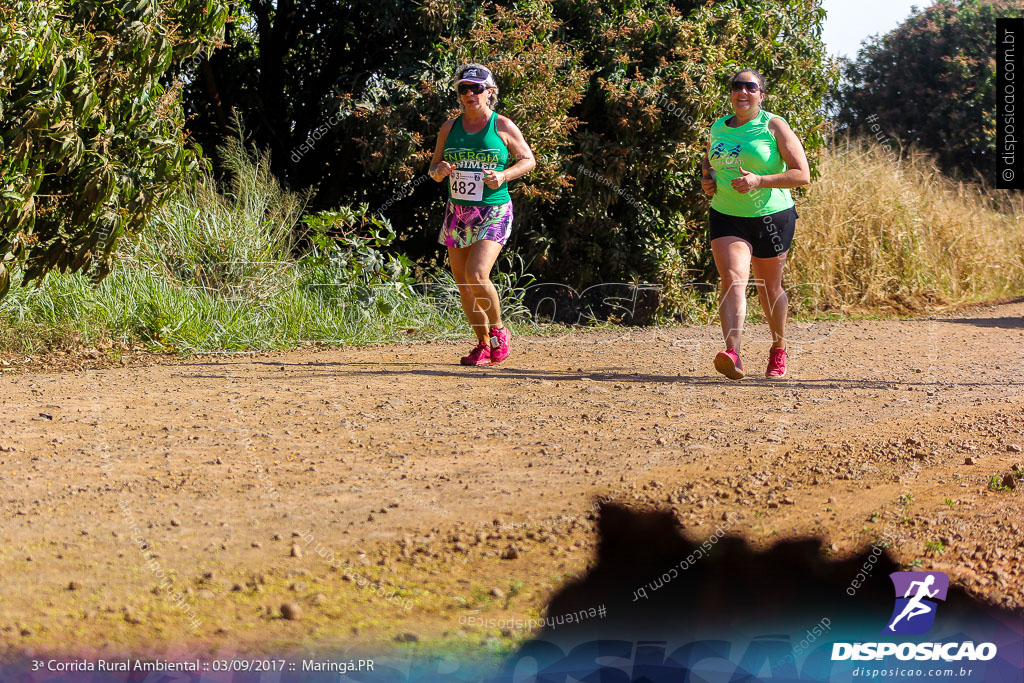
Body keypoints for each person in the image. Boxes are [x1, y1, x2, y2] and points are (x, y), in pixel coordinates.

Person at [702, 68, 810, 379]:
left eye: (751, 87)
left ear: (761, 95)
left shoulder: (774, 125)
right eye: (738, 86)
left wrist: (759, 180)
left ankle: (779, 348)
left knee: (769, 288)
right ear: (731, 92)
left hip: (772, 218)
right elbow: (710, 160)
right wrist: (707, 179)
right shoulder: (718, 127)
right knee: (733, 278)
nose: (743, 91)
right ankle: (732, 352)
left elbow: (801, 174)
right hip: (726, 214)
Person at [428, 63, 536, 366]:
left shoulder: (502, 125)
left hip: (494, 209)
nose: (470, 93)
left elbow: (528, 160)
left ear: (489, 92)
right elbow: (433, 168)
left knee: (477, 274)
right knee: (463, 282)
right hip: (458, 212)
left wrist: (503, 176)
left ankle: (499, 330)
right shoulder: (450, 128)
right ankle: (482, 344)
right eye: (464, 88)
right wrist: (440, 172)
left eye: (476, 88)